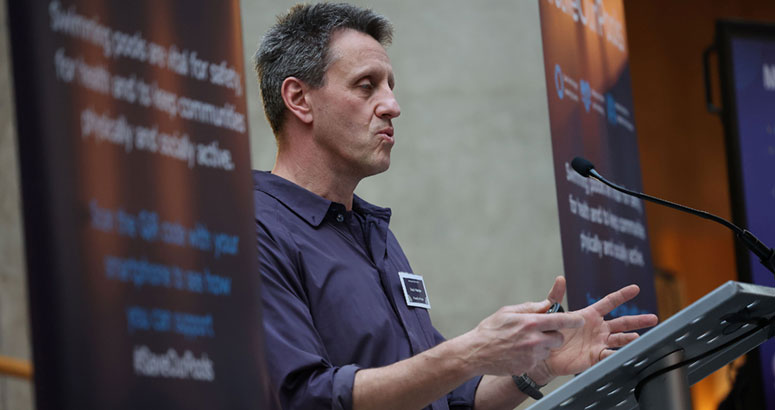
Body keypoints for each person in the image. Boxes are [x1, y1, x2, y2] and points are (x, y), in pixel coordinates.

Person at [252, 3, 658, 410]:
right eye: (366, 85)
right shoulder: (255, 228)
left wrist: (537, 366)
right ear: (299, 99)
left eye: (390, 85)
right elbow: (305, 398)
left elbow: (451, 398)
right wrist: (469, 351)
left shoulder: (373, 232)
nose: (392, 105)